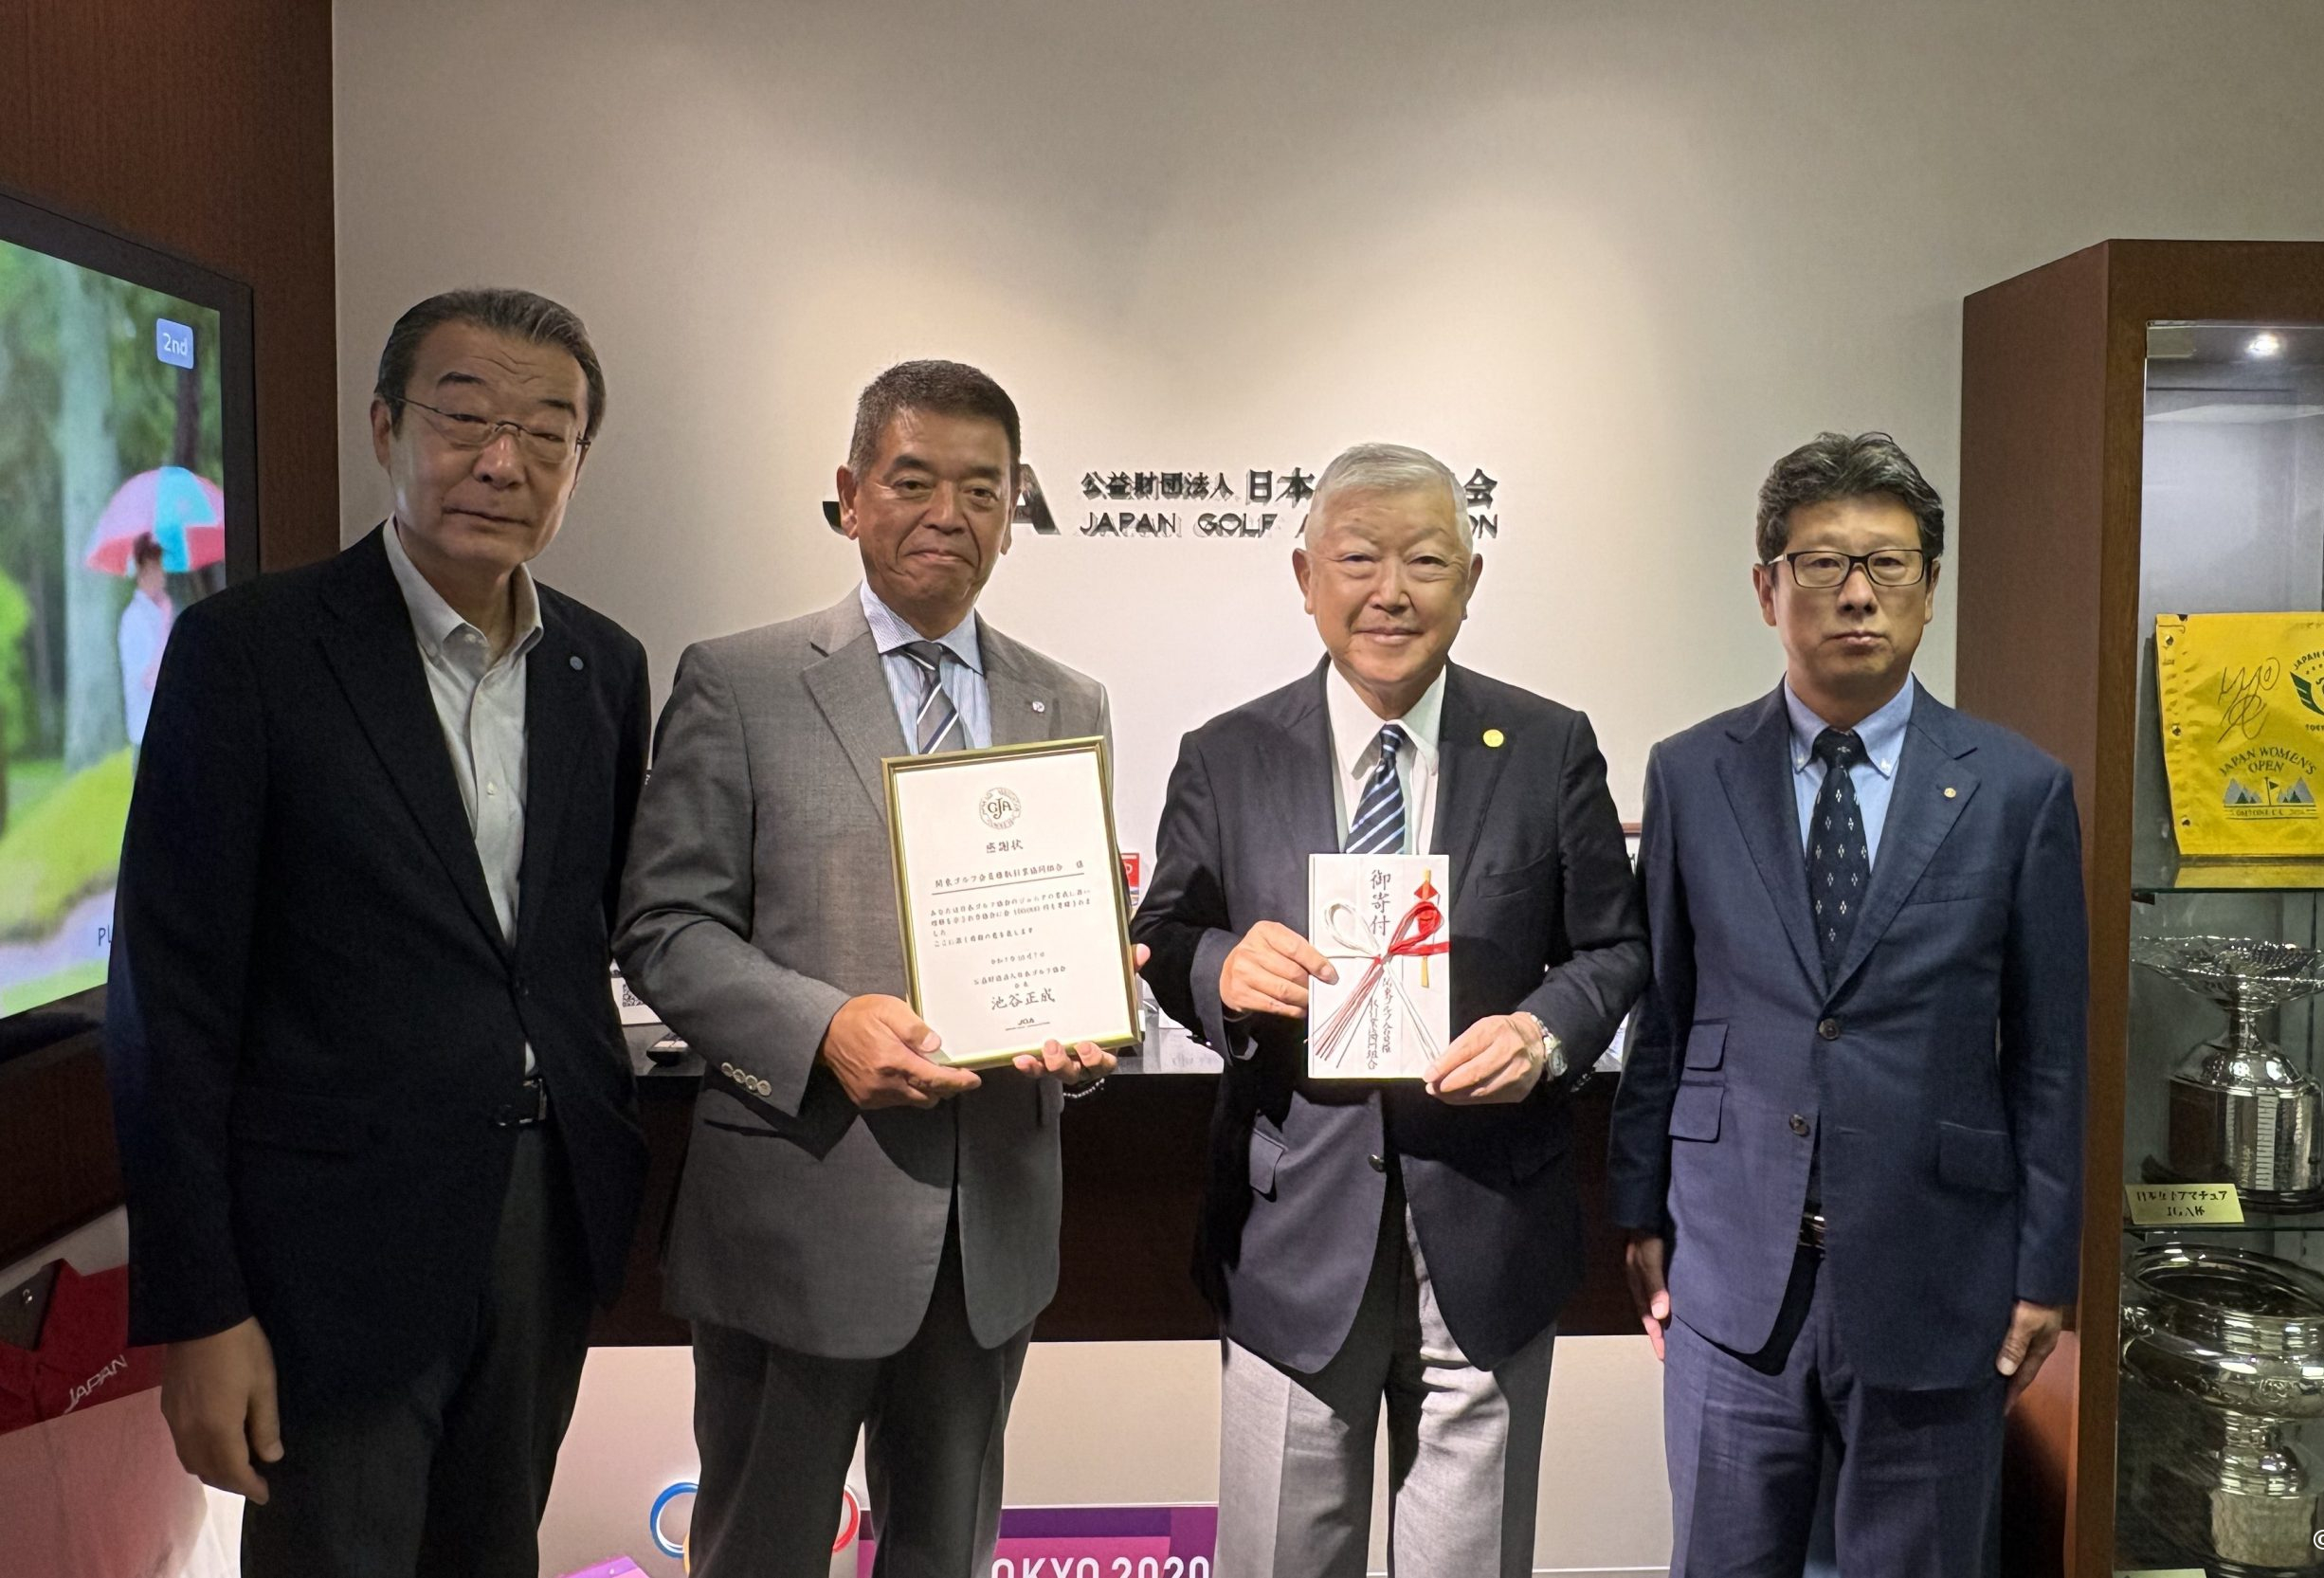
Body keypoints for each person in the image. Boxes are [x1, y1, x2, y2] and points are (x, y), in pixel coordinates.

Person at [105, 288, 653, 1576]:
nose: (502, 461)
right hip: (329, 1247)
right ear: (384, 429)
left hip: (542, 1215)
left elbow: (590, 935)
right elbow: (170, 1001)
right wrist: (202, 1307)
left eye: (547, 433)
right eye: (464, 418)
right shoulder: (248, 653)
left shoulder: (604, 667)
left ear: (578, 461)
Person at [615, 360, 1121, 1578]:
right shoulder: (739, 681)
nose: (949, 514)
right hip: (797, 1208)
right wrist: (825, 1027)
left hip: (992, 1221)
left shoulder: (1066, 700)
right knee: (759, 1554)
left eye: (983, 490)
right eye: (911, 481)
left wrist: (1092, 1028)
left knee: (945, 1554)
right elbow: (665, 926)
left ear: (1015, 511)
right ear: (849, 495)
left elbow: (1072, 938)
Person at [1131, 443, 1647, 1578]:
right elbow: (1162, 935)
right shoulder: (1225, 754)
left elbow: (1614, 946)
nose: (1391, 592)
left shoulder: (1547, 745)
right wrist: (1219, 969)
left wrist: (1542, 1033)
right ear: (1304, 574)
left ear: (1470, 579)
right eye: (1359, 559)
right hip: (1287, 1229)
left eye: (1425, 560)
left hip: (1490, 1223)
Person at [1607, 431, 2087, 1577]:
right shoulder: (1690, 773)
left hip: (1939, 1271)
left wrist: (2045, 1272)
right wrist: (1638, 1213)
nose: (1857, 593)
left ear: (1930, 584)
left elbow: (2051, 1054)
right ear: (1766, 588)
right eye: (1822, 563)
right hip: (1732, 1271)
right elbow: (1662, 1012)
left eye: (1888, 563)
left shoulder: (2017, 789)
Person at [118, 534, 175, 746]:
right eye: (156, 568)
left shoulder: (156, 613)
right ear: (143, 572)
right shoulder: (134, 619)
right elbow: (150, 677)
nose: (162, 575)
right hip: (146, 731)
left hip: (163, 728)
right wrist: (165, 625)